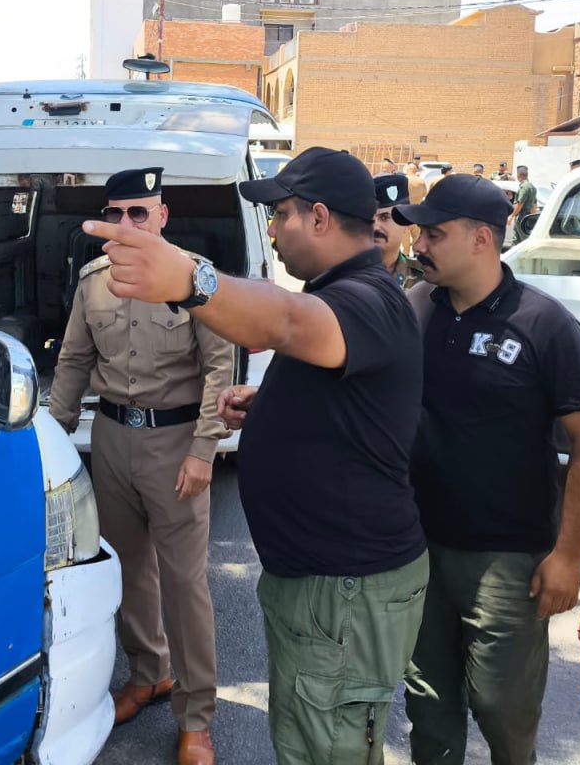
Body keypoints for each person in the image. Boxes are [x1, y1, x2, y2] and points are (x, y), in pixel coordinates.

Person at [82, 147, 428, 765]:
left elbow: (288, 322)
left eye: (281, 214)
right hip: (320, 583)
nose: (271, 230)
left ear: (319, 217)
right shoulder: (342, 292)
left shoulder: (368, 298)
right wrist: (268, 405)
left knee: (330, 750)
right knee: (305, 740)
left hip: (344, 588)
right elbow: (346, 398)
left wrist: (192, 280)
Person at [393, 175, 580, 765]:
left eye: (434, 234)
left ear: (481, 239)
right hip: (418, 550)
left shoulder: (544, 324)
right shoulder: (415, 307)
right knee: (428, 707)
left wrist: (568, 556)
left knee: (502, 708)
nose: (419, 246)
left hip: (508, 559)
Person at [48, 167, 234, 765]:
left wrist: (204, 450)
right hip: (111, 440)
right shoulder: (94, 282)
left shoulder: (194, 278)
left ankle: (196, 716)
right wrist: (50, 440)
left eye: (139, 212)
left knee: (184, 584)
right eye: (116, 212)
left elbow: (220, 369)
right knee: (126, 571)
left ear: (162, 216)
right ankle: (148, 674)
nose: (127, 223)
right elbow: (73, 362)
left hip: (176, 444)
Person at [374, 174, 425, 288]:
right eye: (368, 218)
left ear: (405, 224)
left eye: (385, 217)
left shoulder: (425, 279)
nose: (375, 227)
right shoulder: (341, 275)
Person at [509, 164, 538, 245]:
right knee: (516, 241)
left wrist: (511, 216)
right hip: (527, 218)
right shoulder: (532, 187)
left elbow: (520, 203)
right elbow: (534, 205)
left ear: (518, 175)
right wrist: (533, 218)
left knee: (523, 242)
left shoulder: (524, 187)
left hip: (522, 218)